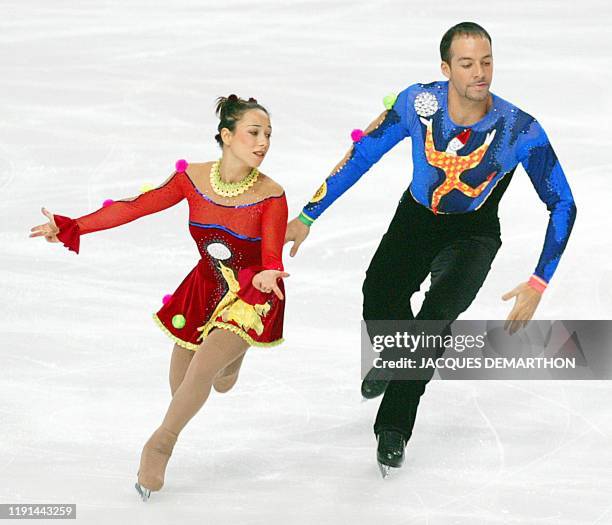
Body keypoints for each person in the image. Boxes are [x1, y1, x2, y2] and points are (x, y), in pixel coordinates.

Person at [284, 22, 577, 477]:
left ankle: (394, 427)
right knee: (378, 293)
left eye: (486, 61)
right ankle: (397, 355)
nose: (480, 73)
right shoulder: (418, 104)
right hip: (416, 219)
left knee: (433, 323)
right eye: (467, 64)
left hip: (474, 233)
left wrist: (539, 281)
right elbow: (362, 154)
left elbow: (563, 202)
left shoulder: (520, 129)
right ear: (445, 68)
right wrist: (308, 215)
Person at [29, 95, 289, 499]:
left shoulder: (271, 194)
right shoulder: (192, 178)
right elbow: (136, 207)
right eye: (254, 132)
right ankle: (230, 365)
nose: (263, 142)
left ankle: (160, 444)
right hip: (205, 285)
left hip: (255, 291)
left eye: (268, 134)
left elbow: (271, 253)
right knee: (188, 383)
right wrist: (72, 226)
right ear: (226, 135)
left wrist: (270, 272)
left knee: (201, 370)